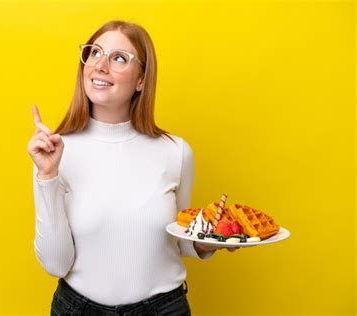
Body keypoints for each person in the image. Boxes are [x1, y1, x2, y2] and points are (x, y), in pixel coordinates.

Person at [27, 20, 238, 316]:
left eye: (119, 58)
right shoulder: (56, 152)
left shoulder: (175, 152)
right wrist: (47, 175)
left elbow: (176, 242)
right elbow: (56, 264)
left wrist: (210, 242)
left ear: (141, 79)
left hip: (163, 309)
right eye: (95, 53)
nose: (100, 65)